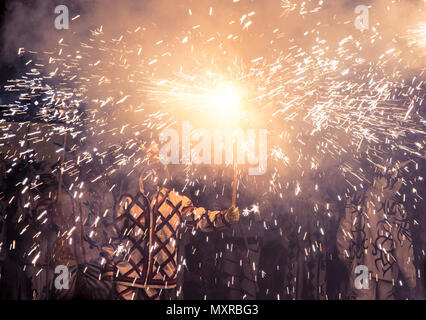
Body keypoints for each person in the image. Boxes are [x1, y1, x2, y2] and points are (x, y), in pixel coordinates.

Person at [102, 154, 240, 300]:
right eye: (149, 170)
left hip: (159, 278)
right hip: (126, 275)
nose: (154, 174)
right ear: (142, 173)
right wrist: (108, 265)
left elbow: (199, 217)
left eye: (157, 170)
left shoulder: (174, 200)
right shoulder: (128, 199)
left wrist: (223, 218)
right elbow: (112, 234)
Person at [337, 166, 416, 300]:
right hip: (387, 271)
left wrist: (350, 262)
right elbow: (402, 246)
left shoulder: (356, 200)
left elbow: (343, 235)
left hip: (360, 268)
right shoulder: (395, 206)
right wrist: (411, 277)